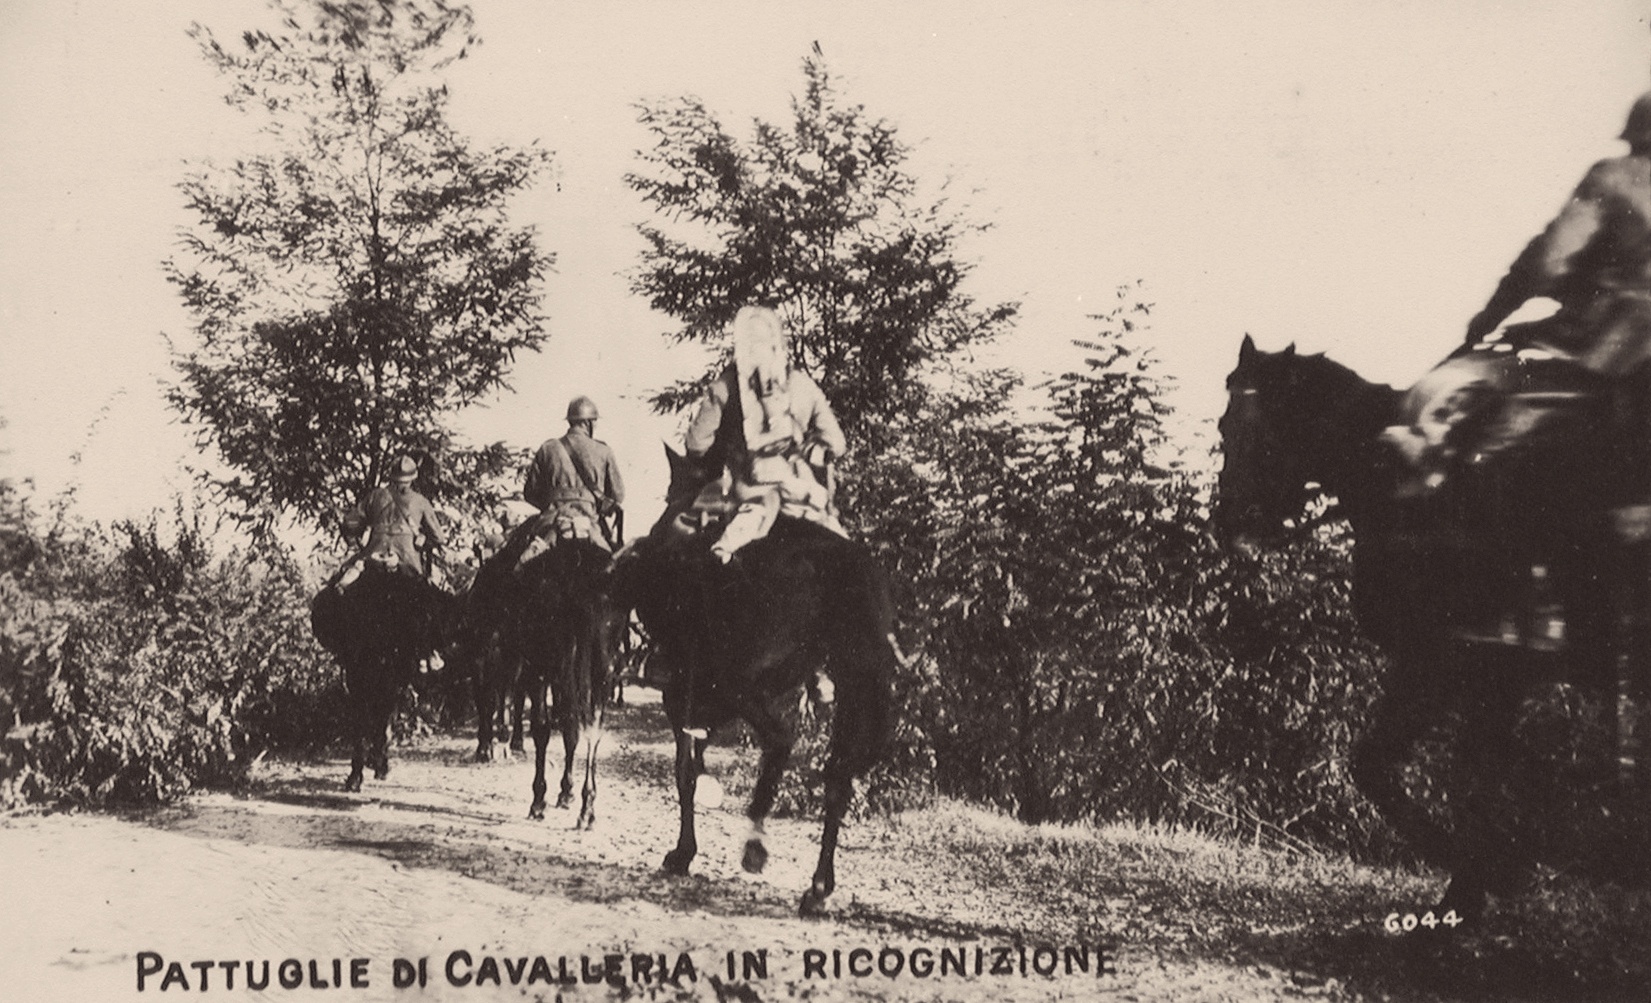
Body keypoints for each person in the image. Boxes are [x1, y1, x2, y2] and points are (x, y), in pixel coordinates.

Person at [681, 305, 848, 563]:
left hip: (748, 490)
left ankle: (721, 555)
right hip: (803, 493)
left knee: (701, 551)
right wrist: (808, 449)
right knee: (844, 546)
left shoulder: (724, 387)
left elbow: (696, 446)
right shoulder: (804, 384)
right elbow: (836, 443)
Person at [521, 395, 625, 563]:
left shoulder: (547, 448)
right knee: (613, 570)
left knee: (521, 570)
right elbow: (618, 495)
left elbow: (530, 493)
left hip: (550, 525)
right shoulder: (604, 451)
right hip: (591, 526)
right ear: (588, 423)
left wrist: (552, 504)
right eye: (595, 421)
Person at [337, 454, 447, 586]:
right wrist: (421, 543)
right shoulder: (421, 501)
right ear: (413, 478)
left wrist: (357, 542)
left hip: (373, 556)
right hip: (409, 563)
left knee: (339, 583)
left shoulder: (374, 496)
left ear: (392, 476)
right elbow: (439, 538)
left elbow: (350, 523)